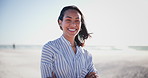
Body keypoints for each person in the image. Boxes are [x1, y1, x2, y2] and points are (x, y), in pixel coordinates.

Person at [41, 5, 99, 78]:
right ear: (60, 22)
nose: (73, 24)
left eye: (77, 21)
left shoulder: (87, 55)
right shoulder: (49, 48)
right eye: (68, 20)